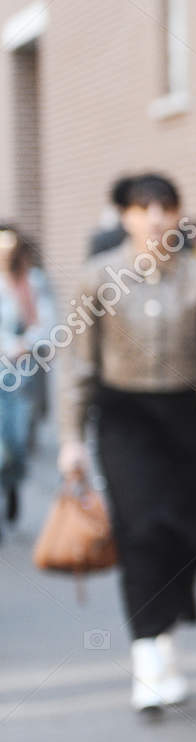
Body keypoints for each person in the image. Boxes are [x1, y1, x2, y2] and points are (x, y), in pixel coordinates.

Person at [56, 174, 196, 712]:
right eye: (141, 207)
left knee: (184, 532)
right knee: (142, 527)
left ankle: (164, 635)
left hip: (181, 413)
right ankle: (147, 654)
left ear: (177, 215)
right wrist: (70, 439)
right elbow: (78, 366)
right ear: (123, 215)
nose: (154, 217)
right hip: (123, 415)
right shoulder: (96, 279)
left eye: (164, 207)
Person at [0, 224, 56, 535]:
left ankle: (11, 486)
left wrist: (24, 345)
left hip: (20, 376)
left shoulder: (32, 283)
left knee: (17, 442)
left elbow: (46, 325)